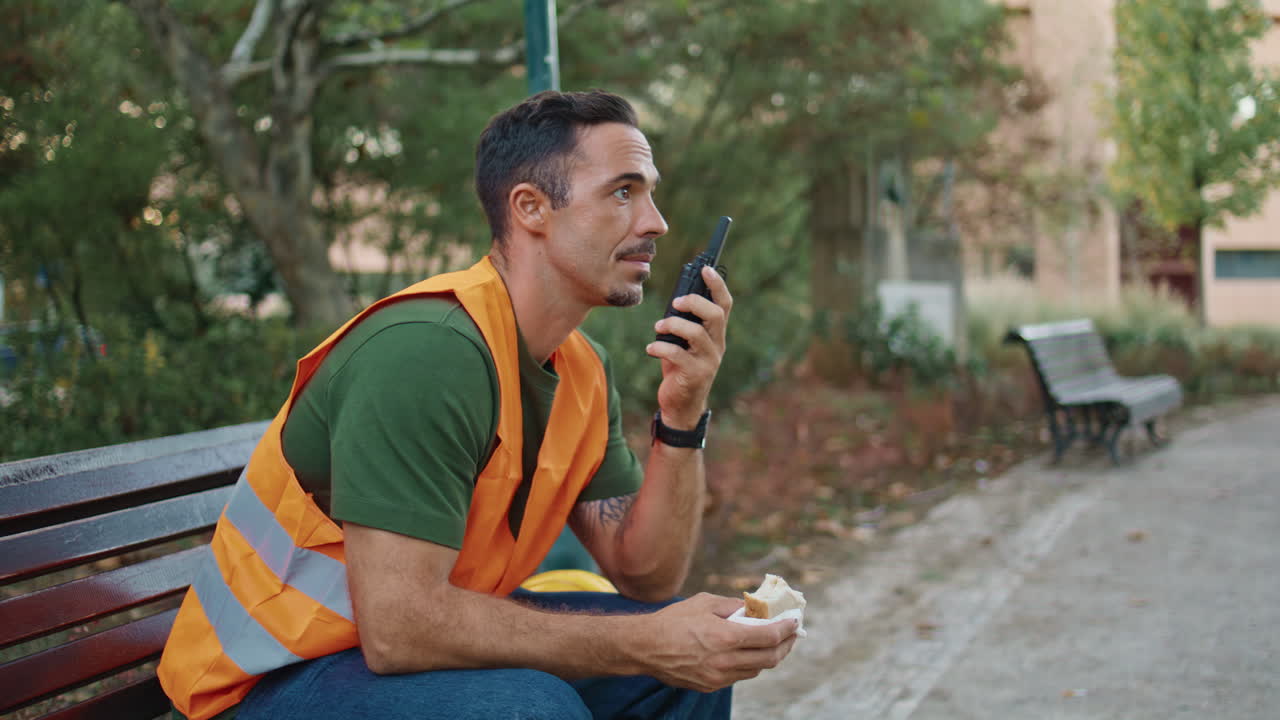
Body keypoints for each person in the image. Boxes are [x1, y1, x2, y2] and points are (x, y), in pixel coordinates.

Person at [157, 89, 798, 720]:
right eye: (624, 191)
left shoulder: (581, 369)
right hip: (268, 682)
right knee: (527, 706)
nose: (655, 221)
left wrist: (683, 415)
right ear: (531, 208)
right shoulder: (424, 352)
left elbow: (647, 576)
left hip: (394, 657)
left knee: (686, 677)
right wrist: (645, 643)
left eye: (650, 192)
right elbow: (401, 630)